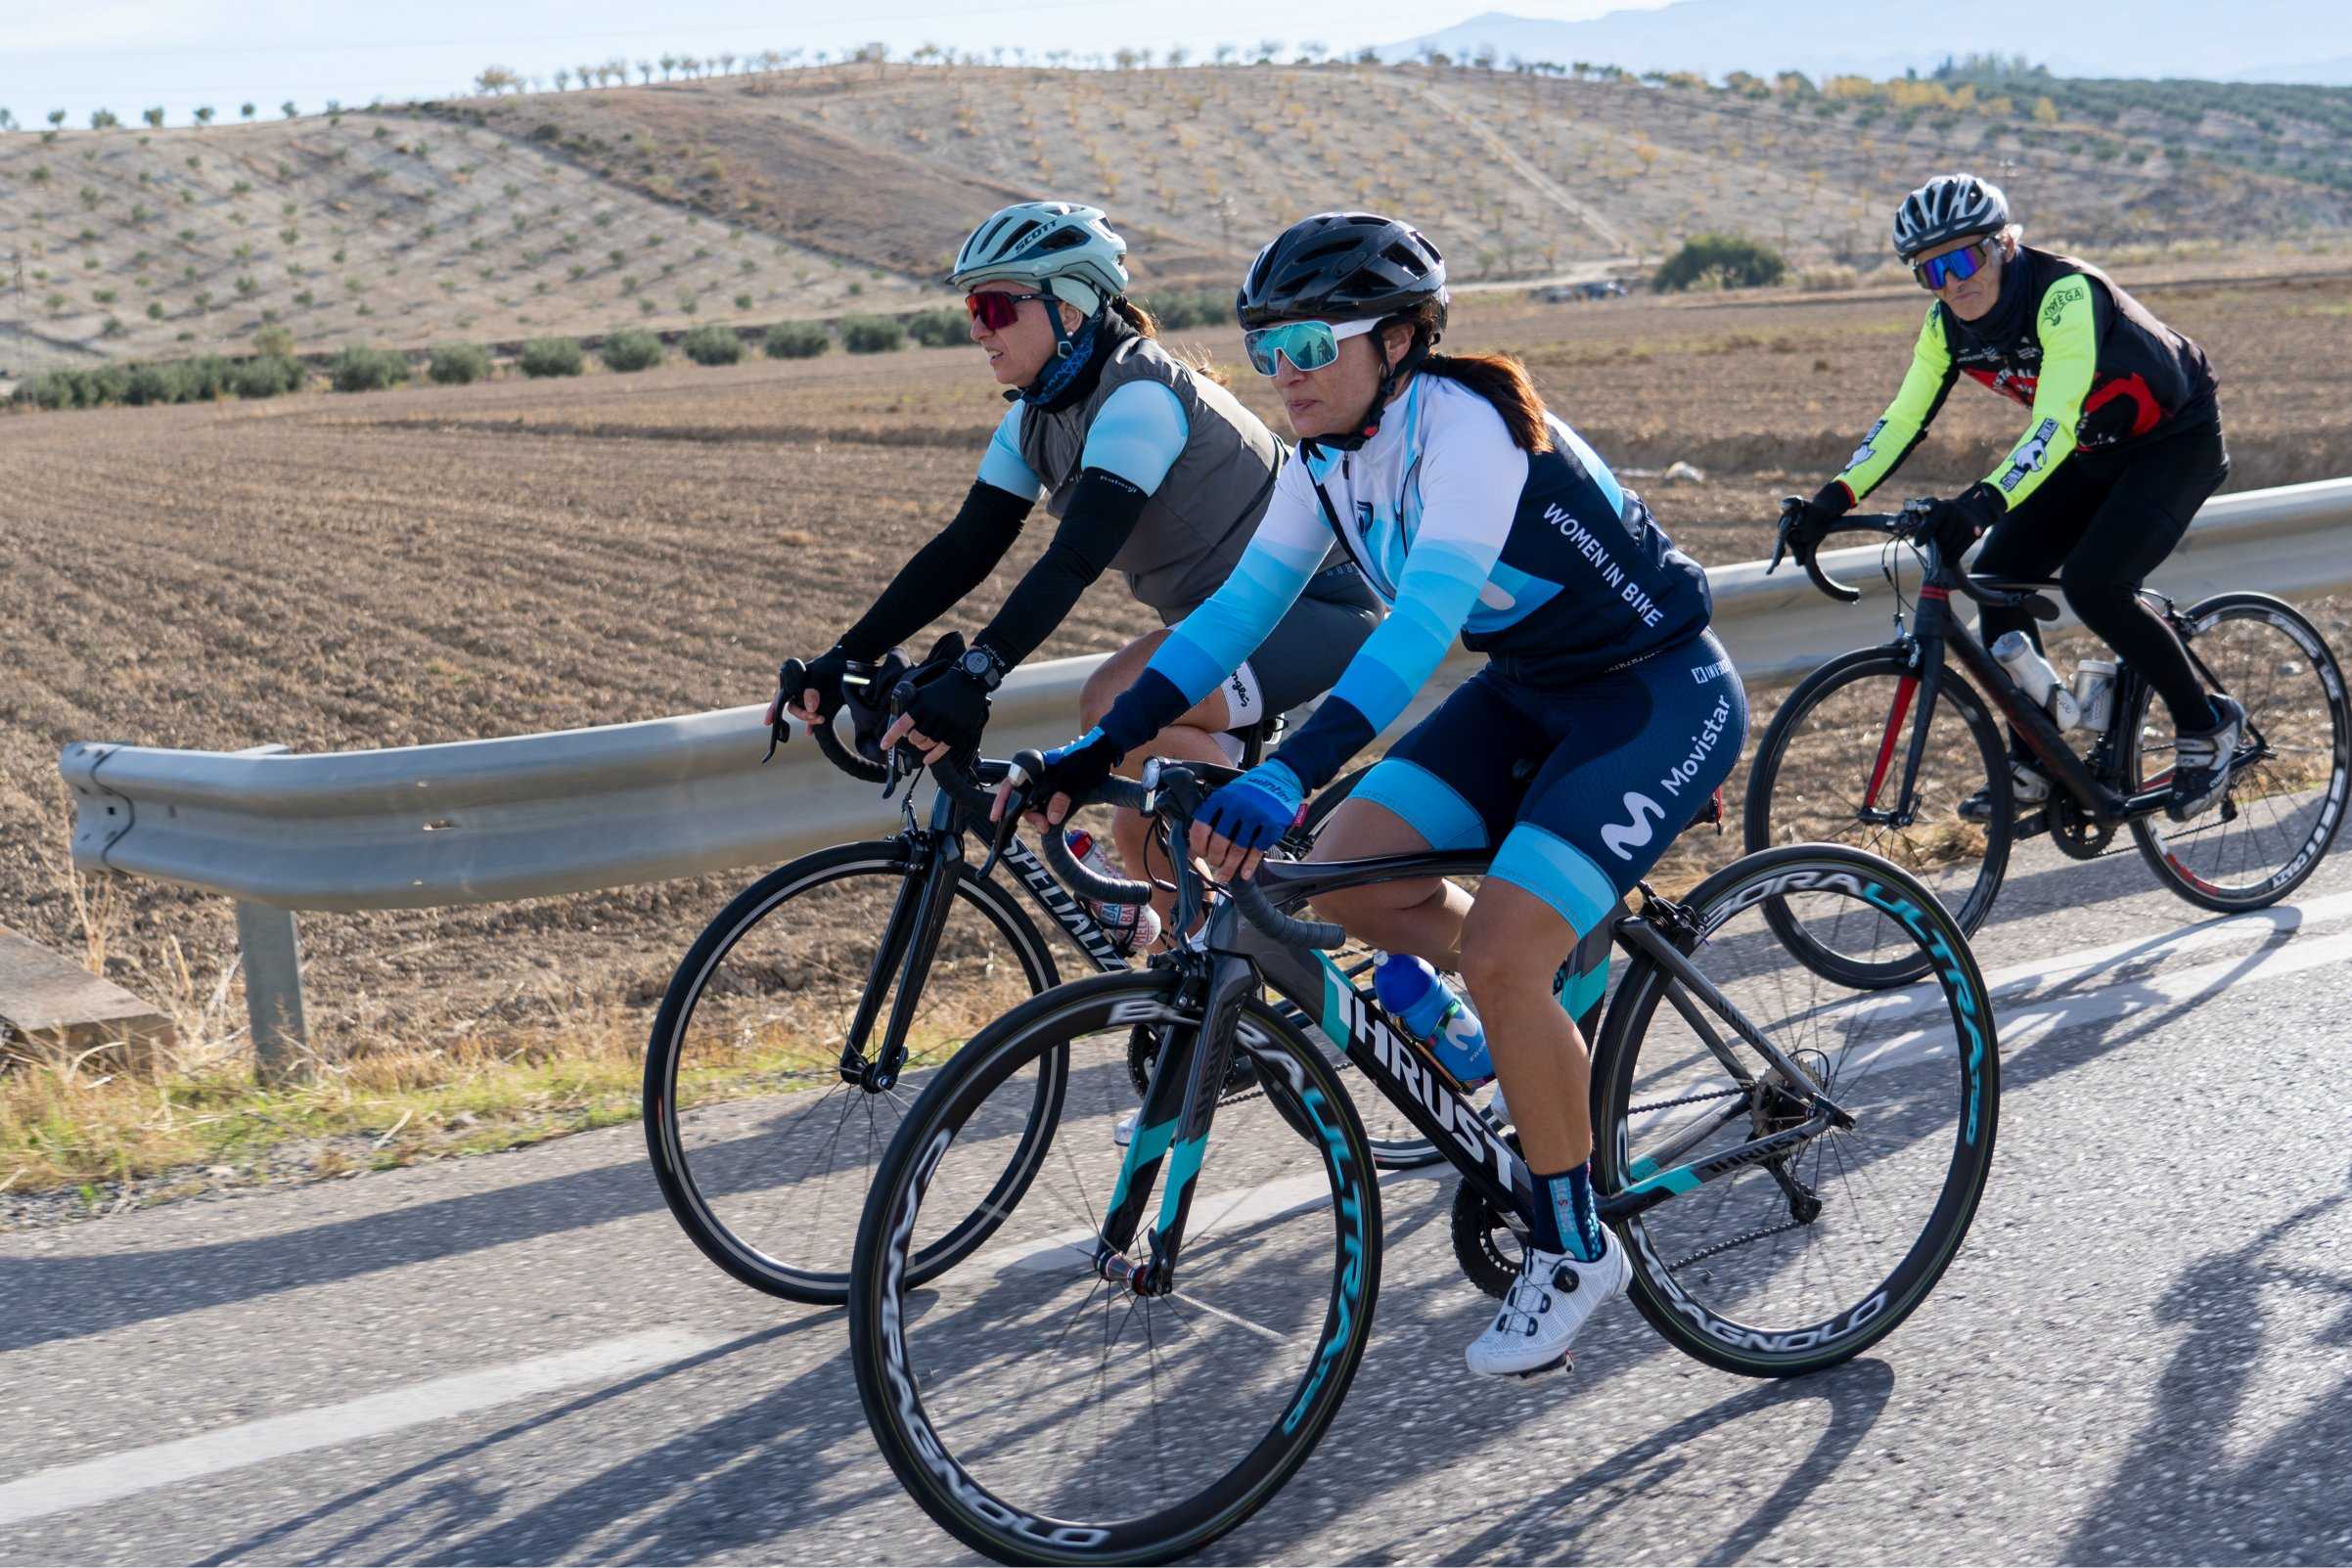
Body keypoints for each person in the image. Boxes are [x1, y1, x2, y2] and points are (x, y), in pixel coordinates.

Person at [1006, 211, 1745, 1377]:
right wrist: (1086, 749)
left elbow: (1416, 633)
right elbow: (1232, 620)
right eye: (1267, 353)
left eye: (1310, 347)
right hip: (1532, 690)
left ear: (1399, 339)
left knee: (1497, 951)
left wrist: (1288, 769)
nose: (1284, 377)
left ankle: (1572, 1242)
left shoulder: (1466, 430)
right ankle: (1534, 1009)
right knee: (1353, 876)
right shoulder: (1324, 460)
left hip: (1652, 695)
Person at [781, 202, 1379, 944]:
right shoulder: (1034, 416)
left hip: (1312, 609)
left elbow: (1073, 559)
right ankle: (1225, 1011)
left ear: (1070, 304)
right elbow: (966, 548)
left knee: (1112, 701)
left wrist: (978, 671)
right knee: (1143, 836)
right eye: (973, 306)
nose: (977, 328)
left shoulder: (1140, 397)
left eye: (996, 305)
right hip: (1224, 623)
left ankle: (1298, 896)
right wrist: (848, 652)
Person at [1785, 173, 2236, 822]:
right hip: (2091, 447)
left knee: (2096, 583)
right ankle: (2038, 757)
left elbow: (2051, 422)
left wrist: (1981, 503)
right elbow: (1902, 419)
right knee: (1996, 576)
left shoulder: (2061, 294)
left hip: (2173, 439)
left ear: (2002, 245)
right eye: (1931, 271)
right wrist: (1830, 499)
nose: (1953, 282)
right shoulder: (1946, 328)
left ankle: (2208, 724)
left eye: (1965, 258)